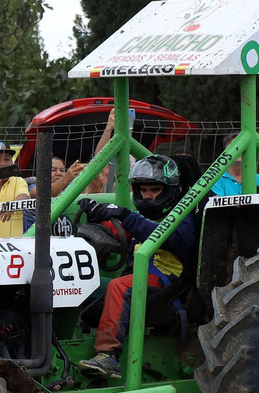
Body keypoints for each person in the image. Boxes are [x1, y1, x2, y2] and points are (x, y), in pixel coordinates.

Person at [75, 155, 197, 381]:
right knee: (84, 284)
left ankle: (108, 354)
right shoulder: (143, 218)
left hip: (168, 285)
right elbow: (125, 229)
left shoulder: (184, 217)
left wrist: (123, 214)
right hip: (141, 278)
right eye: (143, 190)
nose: (147, 195)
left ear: (169, 190)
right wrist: (97, 213)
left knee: (119, 286)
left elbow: (164, 237)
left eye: (154, 189)